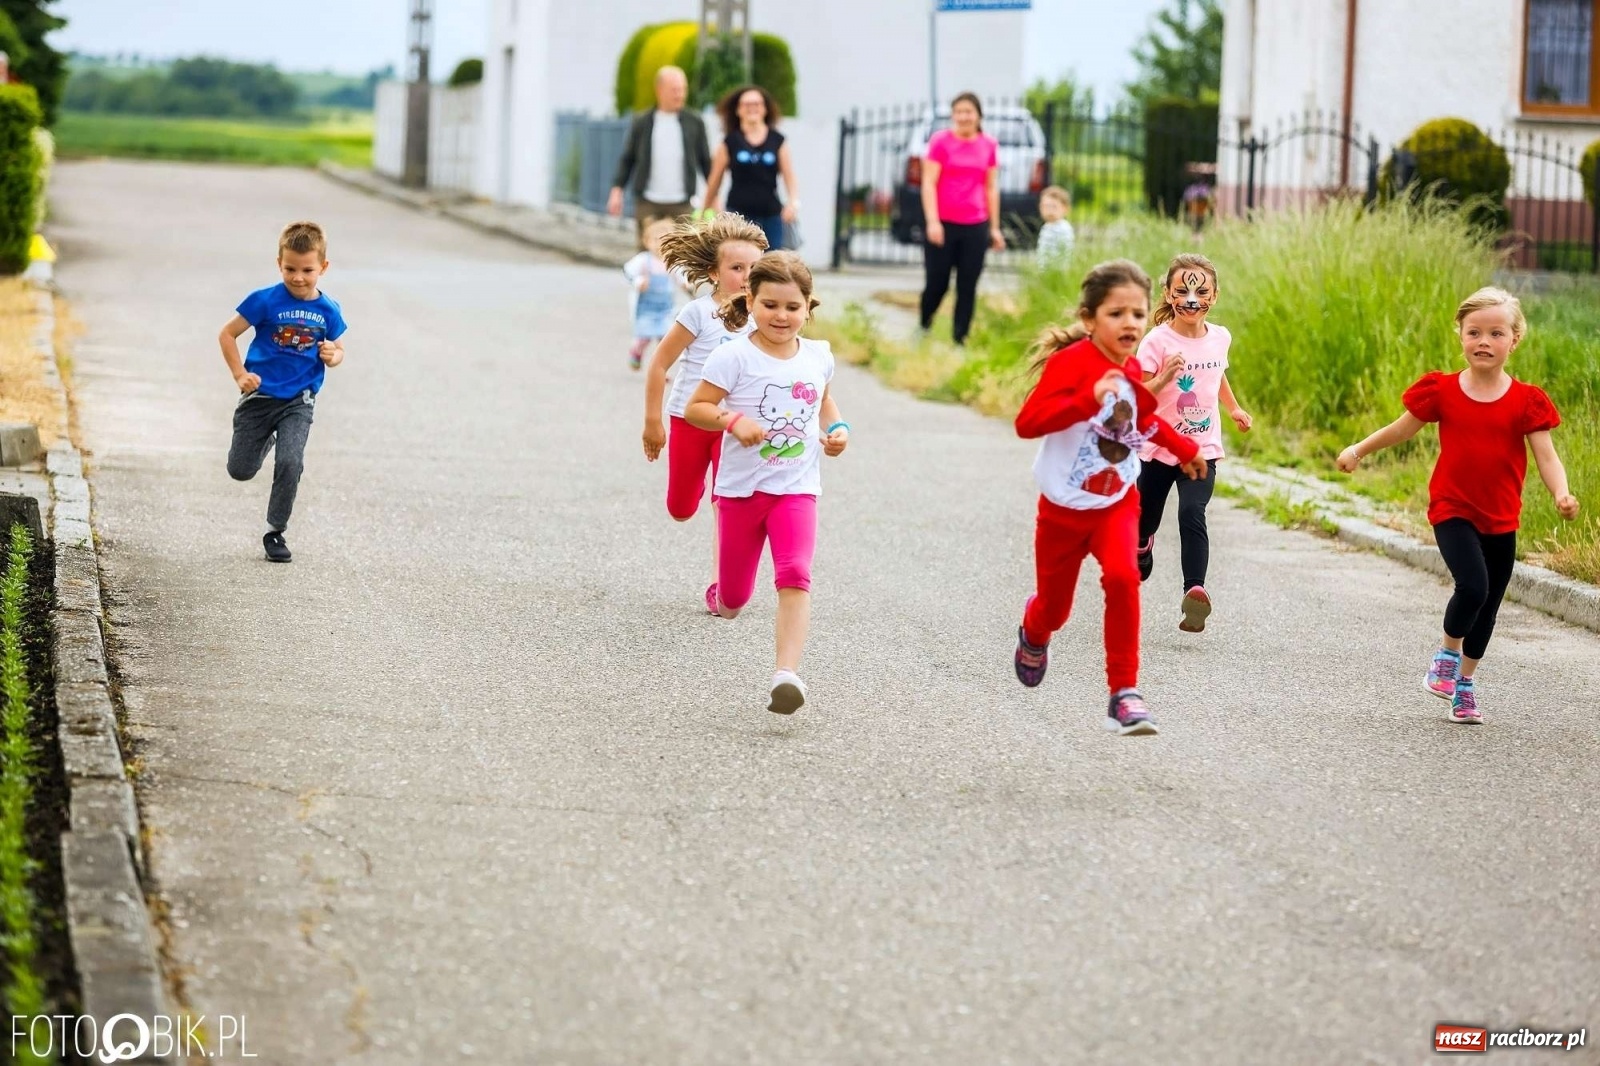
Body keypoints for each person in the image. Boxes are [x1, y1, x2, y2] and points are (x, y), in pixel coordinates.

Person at [1337, 287, 1578, 724]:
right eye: (1474, 332)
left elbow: (1547, 456)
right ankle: (1446, 657)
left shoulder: (1527, 400)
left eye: (1495, 332)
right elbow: (1401, 429)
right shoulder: (1442, 391)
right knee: (1473, 586)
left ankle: (1463, 685)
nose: (1483, 341)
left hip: (1502, 516)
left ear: (1514, 339)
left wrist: (1561, 492)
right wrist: (1358, 450)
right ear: (1461, 336)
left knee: (1488, 606)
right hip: (1452, 508)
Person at [1011, 259, 1205, 736]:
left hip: (1116, 501)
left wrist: (1184, 450)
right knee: (1054, 609)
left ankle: (1124, 693)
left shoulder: (1132, 366)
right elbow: (1027, 423)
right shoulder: (1070, 364)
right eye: (1116, 314)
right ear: (1089, 319)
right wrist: (1085, 398)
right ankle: (1034, 634)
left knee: (1123, 577)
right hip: (1061, 510)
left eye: (1138, 314)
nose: (1130, 324)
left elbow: (1139, 420)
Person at [683, 252, 849, 715]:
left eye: (792, 307)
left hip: (796, 489)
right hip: (740, 493)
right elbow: (698, 407)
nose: (781, 316)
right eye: (770, 305)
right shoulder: (732, 356)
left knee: (795, 574)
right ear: (750, 300)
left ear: (808, 307)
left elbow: (826, 403)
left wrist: (839, 431)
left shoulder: (818, 356)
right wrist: (732, 420)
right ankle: (721, 594)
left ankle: (786, 675)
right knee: (736, 601)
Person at [642, 214, 769, 599]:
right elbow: (660, 363)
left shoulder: (765, 317)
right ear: (714, 272)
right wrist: (653, 422)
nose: (747, 275)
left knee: (726, 506)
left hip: (734, 427)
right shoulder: (698, 314)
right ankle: (692, 489)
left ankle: (721, 585)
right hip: (689, 421)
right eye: (736, 268)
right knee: (681, 508)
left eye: (754, 268)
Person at [1134, 253, 1252, 633]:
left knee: (1192, 512)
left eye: (1200, 291)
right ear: (1168, 294)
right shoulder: (1156, 341)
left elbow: (1217, 376)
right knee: (1144, 518)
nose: (1190, 298)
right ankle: (1141, 544)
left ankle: (1194, 592)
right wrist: (1164, 377)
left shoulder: (1220, 337)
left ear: (1214, 296)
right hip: (1157, 449)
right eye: (1182, 290)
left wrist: (1233, 408)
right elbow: (1140, 394)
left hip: (1202, 450)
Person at [218, 221, 348, 564]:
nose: (299, 277)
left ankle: (275, 530)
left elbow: (338, 349)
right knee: (240, 470)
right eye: (290, 269)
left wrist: (333, 356)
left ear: (323, 267)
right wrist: (239, 374)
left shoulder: (329, 310)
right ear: (279, 264)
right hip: (260, 398)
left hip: (299, 400)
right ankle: (266, 437)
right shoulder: (264, 300)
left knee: (291, 462)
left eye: (308, 270)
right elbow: (227, 335)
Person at [918, 92, 1005, 346]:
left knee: (968, 285)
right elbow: (928, 183)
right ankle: (924, 326)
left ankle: (960, 338)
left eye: (969, 111)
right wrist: (933, 222)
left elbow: (991, 187)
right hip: (943, 225)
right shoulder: (940, 142)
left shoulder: (988, 144)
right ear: (953, 115)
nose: (964, 116)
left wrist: (995, 227)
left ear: (978, 115)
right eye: (959, 111)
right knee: (937, 283)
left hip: (975, 226)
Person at [608, 66, 713, 246]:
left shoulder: (694, 122)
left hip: (682, 202)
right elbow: (628, 158)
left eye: (682, 89)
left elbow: (705, 161)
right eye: (674, 90)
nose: (679, 95)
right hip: (648, 200)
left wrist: (714, 195)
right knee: (647, 256)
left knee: (682, 257)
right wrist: (617, 190)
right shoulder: (642, 122)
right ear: (659, 90)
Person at [702, 84, 800, 251]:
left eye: (757, 104)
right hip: (738, 214)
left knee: (770, 263)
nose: (752, 109)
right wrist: (706, 209)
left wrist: (793, 202)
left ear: (765, 109)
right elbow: (715, 180)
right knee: (741, 258)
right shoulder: (729, 142)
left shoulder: (778, 141)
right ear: (738, 110)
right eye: (747, 105)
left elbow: (789, 176)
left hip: (771, 214)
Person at [621, 218, 683, 370]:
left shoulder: (671, 262)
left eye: (666, 240)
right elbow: (627, 272)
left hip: (665, 308)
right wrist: (638, 281)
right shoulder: (643, 260)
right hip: (646, 307)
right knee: (644, 336)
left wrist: (686, 282)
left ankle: (661, 368)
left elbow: (681, 275)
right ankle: (637, 351)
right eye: (656, 240)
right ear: (646, 241)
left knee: (665, 339)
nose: (660, 244)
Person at [1035, 186, 1075, 266]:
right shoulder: (1046, 227)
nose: (1049, 210)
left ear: (1065, 208)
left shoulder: (1063, 228)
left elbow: (1065, 251)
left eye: (1053, 206)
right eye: (1046, 206)